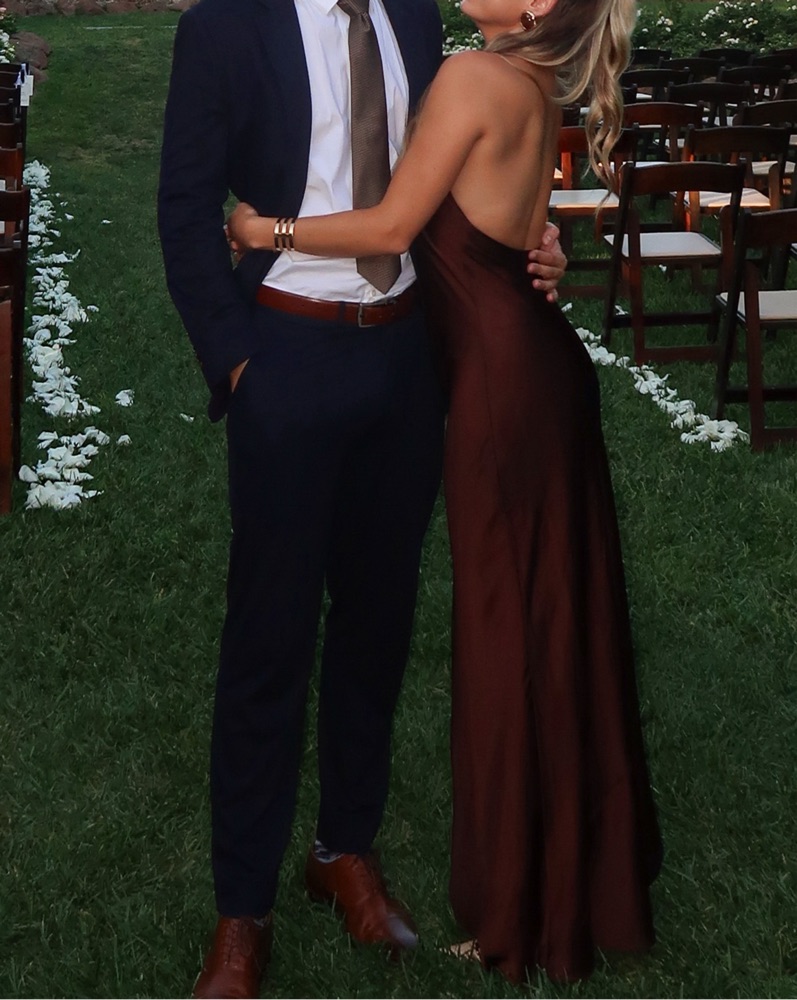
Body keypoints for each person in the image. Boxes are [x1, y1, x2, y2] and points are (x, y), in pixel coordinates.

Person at [226, 0, 664, 985]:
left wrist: (264, 227)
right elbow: (505, 230)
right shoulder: (528, 78)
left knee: (508, 632)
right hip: (533, 371)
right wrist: (543, 252)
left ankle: (521, 907)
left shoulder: (473, 76)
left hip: (501, 390)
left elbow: (391, 226)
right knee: (550, 620)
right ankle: (569, 874)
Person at [157, 0, 566, 996]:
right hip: (285, 353)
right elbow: (183, 205)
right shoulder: (224, 27)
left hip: (401, 361)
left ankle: (343, 848)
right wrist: (239, 365)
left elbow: (445, 185)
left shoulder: (413, 19)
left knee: (376, 626)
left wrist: (533, 240)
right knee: (269, 637)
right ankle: (242, 908)